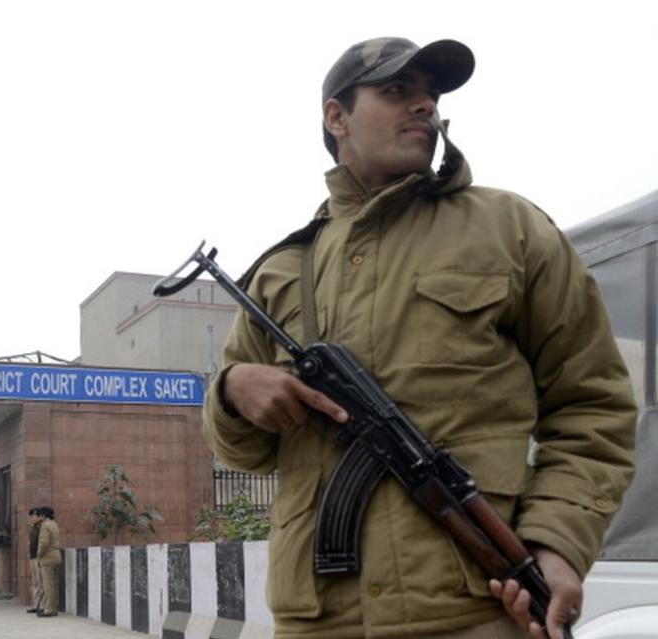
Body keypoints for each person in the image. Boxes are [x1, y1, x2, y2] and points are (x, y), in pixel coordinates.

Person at [202, 37, 637, 639]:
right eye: (398, 91)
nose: (425, 107)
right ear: (336, 116)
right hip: (318, 622)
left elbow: (592, 405)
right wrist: (233, 390)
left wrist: (557, 542)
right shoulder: (282, 271)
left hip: (476, 609)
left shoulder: (509, 229)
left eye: (431, 94)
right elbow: (240, 452)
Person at [34, 506, 61, 618]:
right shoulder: (54, 524)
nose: (39, 517)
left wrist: (39, 555)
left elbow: (44, 543)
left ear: (44, 515)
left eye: (40, 515)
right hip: (56, 557)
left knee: (48, 585)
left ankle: (49, 609)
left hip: (47, 558)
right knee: (53, 584)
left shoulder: (45, 526)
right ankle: (53, 607)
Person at [26, 507, 44, 613]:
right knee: (35, 581)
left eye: (34, 516)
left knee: (40, 581)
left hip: (38, 557)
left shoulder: (42, 528)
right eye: (32, 516)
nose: (32, 518)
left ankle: (41, 604)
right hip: (32, 557)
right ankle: (35, 604)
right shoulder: (33, 528)